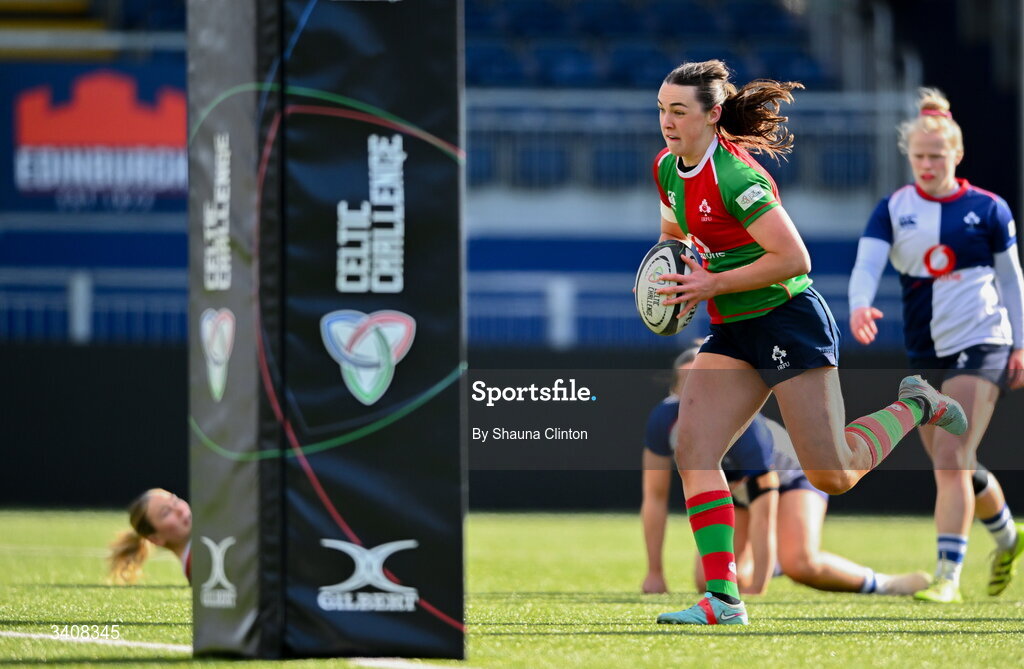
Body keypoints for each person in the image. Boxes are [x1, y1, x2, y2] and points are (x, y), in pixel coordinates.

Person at [649, 60, 968, 626]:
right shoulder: (668, 169)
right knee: (693, 449)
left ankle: (916, 402)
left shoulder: (739, 178)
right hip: (733, 330)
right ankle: (723, 601)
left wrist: (711, 281)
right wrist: (675, 275)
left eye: (679, 110)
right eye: (661, 109)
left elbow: (795, 259)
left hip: (788, 320)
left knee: (834, 474)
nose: (667, 121)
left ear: (712, 114)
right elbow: (675, 234)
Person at [849, 88, 1024, 603]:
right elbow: (866, 266)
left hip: (983, 341)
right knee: (958, 464)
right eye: (919, 156)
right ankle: (1010, 539)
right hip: (926, 349)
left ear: (957, 155)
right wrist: (860, 305)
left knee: (951, 455)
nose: (926, 165)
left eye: (936, 156)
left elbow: (1011, 282)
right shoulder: (894, 208)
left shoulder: (989, 209)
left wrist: (1020, 343)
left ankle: (948, 575)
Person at [642, 344, 928, 598]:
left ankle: (883, 583)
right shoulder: (664, 420)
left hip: (792, 479)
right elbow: (654, 497)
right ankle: (776, 560)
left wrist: (758, 586)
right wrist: (655, 572)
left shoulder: (749, 434)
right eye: (687, 385)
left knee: (802, 564)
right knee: (708, 581)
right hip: (738, 488)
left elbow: (763, 514)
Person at [108, 488, 192, 584]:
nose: (180, 510)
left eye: (176, 501)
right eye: (166, 512)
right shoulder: (199, 561)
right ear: (155, 539)